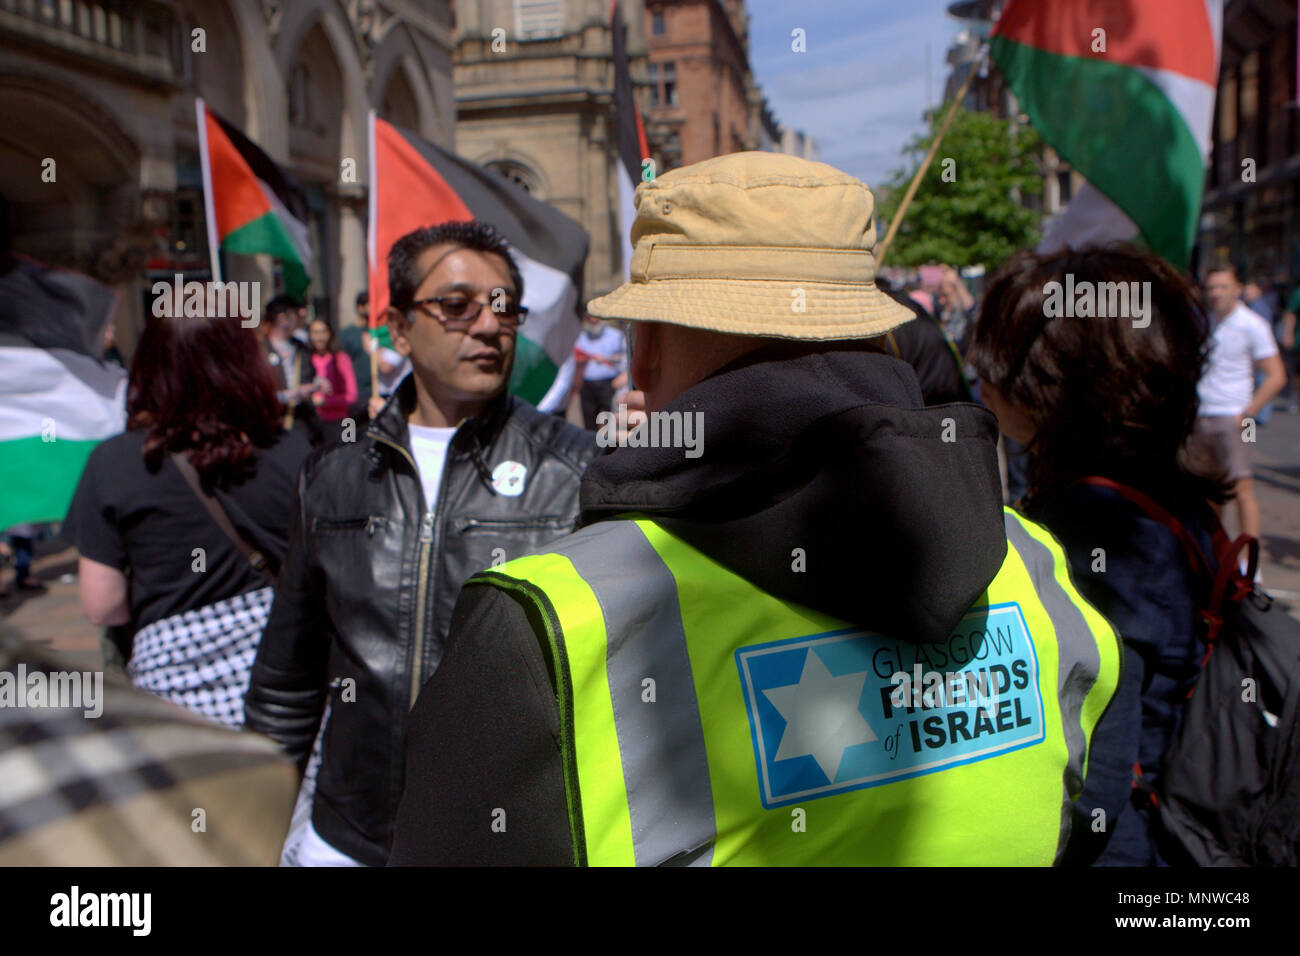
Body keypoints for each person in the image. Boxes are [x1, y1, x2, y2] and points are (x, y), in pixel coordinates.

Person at [389, 152, 1121, 867]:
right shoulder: (1034, 564)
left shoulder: (552, 623)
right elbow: (1083, 809)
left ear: (643, 354)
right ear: (876, 333)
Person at [244, 220, 600, 867]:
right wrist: (250, 829)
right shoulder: (333, 474)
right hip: (348, 842)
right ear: (400, 329)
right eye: (458, 306)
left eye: (504, 309)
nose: (489, 327)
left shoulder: (576, 473)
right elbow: (286, 684)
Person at [968, 245, 1232, 866]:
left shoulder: (1090, 527)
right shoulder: (1162, 490)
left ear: (1056, 385)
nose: (980, 384)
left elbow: (1094, 782)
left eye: (998, 368)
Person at [63, 311, 311, 728]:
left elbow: (102, 606)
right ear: (244, 361)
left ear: (149, 365)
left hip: (177, 715)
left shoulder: (114, 463)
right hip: (289, 693)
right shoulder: (294, 453)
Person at [1189, 265, 1287, 542]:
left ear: (1238, 289)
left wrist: (1248, 412)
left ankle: (1249, 560)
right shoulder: (1203, 322)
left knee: (1242, 486)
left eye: (1223, 287)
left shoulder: (1253, 324)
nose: (1216, 294)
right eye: (1211, 288)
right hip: (1202, 416)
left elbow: (1276, 376)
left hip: (1238, 418)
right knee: (1207, 490)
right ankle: (1214, 552)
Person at [305, 317, 358, 446]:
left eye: (323, 332)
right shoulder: (306, 359)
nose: (320, 337)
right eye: (315, 333)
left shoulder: (341, 358)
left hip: (341, 422)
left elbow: (352, 396)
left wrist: (325, 401)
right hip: (314, 424)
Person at [574, 314, 625, 429]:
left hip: (608, 384)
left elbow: (624, 357)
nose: (593, 320)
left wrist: (607, 359)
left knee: (611, 421)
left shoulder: (616, 335)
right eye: (589, 318)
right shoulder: (580, 337)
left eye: (595, 318)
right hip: (587, 385)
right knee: (589, 421)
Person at [338, 291, 373, 422]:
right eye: (370, 305)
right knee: (351, 435)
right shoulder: (346, 334)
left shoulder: (379, 332)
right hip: (356, 396)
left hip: (376, 393)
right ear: (360, 308)